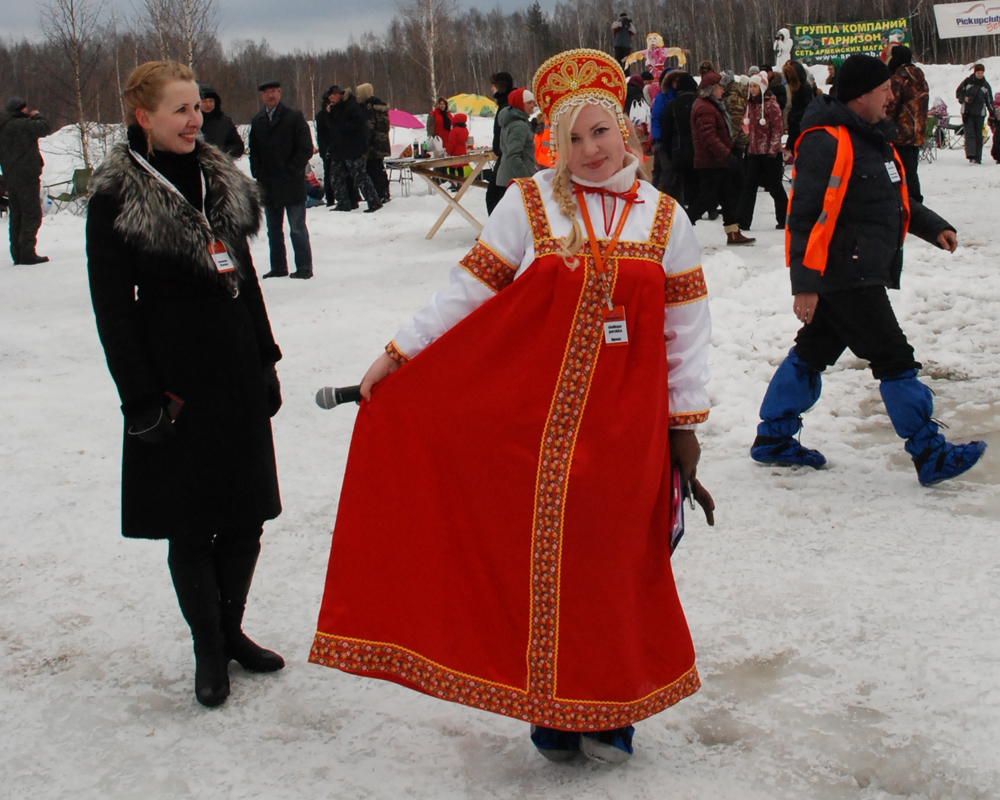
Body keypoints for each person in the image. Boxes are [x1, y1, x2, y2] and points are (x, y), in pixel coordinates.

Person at [309, 47, 714, 766]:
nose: (590, 150)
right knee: (540, 564)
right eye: (573, 138)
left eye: (601, 132)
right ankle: (549, 710)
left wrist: (684, 426)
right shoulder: (528, 205)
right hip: (535, 428)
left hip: (627, 431)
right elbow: (466, 295)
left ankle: (609, 704)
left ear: (624, 131)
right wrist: (398, 356)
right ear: (554, 142)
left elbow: (685, 331)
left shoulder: (666, 218)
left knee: (614, 566)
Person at [85, 60, 285, 709]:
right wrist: (140, 398)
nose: (195, 119)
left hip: (235, 371)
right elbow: (113, 309)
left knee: (247, 516)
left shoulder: (219, 179)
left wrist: (265, 359)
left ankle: (231, 631)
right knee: (192, 524)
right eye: (180, 110)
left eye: (197, 107)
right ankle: (207, 645)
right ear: (144, 117)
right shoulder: (118, 195)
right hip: (174, 382)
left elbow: (244, 278)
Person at [750, 54, 986, 485]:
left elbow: (893, 199)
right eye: (884, 89)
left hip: (855, 269)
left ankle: (774, 437)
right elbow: (803, 216)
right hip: (848, 273)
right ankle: (929, 451)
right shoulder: (825, 141)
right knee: (894, 357)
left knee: (812, 352)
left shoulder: (871, 138)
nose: (891, 96)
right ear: (861, 95)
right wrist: (804, 284)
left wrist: (933, 227)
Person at [248, 79, 314, 279]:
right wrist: (257, 172)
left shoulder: (293, 116)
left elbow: (305, 148)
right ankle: (278, 267)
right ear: (261, 96)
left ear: (280, 93)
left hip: (291, 181)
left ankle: (304, 267)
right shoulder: (257, 120)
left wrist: (293, 169)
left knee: (297, 228)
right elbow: (254, 150)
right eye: (266, 92)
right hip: (268, 183)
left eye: (274, 91)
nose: (270, 95)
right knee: (273, 229)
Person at [688, 71, 755, 245]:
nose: (723, 91)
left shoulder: (711, 105)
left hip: (717, 161)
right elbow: (709, 137)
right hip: (711, 162)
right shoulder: (705, 108)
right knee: (706, 199)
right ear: (711, 89)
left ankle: (733, 232)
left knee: (727, 196)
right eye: (720, 87)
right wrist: (726, 154)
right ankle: (680, 227)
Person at [0, 97, 51, 265]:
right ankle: (27, 253)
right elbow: (44, 128)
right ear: (19, 110)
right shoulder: (21, 125)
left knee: (16, 215)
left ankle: (17, 253)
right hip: (27, 176)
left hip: (10, 176)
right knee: (31, 214)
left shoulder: (3, 126)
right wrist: (37, 115)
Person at [737, 73, 786, 231]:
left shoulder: (772, 105)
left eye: (755, 86)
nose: (752, 89)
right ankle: (743, 221)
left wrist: (772, 150)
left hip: (770, 154)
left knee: (775, 187)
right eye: (750, 86)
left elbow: (777, 129)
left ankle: (784, 218)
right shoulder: (750, 105)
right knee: (748, 186)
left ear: (762, 87)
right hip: (754, 153)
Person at [327, 86, 382, 214]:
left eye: (332, 97)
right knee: (336, 176)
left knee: (360, 176)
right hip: (340, 149)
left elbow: (358, 124)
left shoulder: (351, 105)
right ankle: (343, 203)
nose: (331, 100)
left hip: (354, 148)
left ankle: (374, 201)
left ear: (338, 94)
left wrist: (342, 128)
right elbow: (333, 127)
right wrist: (330, 113)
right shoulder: (338, 107)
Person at [884, 46, 928, 202]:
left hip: (901, 133)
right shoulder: (920, 79)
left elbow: (891, 107)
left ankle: (908, 202)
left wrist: (883, 125)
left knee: (901, 171)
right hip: (917, 133)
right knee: (911, 171)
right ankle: (914, 200)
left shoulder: (898, 79)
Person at [661, 72, 699, 207]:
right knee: (699, 181)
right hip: (699, 150)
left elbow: (665, 132)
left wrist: (670, 151)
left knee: (680, 183)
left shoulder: (671, 106)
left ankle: (683, 208)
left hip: (679, 150)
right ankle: (705, 208)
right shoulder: (699, 103)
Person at [356, 82, 391, 204]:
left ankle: (378, 193)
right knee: (379, 168)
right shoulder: (381, 107)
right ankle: (384, 192)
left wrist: (363, 141)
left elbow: (369, 127)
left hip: (373, 144)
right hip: (382, 142)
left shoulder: (369, 109)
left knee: (372, 169)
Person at [496, 88, 538, 188]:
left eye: (533, 102)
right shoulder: (519, 126)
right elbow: (513, 155)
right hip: (516, 181)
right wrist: (526, 179)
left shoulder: (513, 121)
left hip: (508, 178)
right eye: (529, 103)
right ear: (520, 104)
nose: (532, 106)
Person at [486, 71, 514, 214]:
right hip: (504, 155)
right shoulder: (504, 103)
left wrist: (504, 150)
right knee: (497, 196)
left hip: (507, 157)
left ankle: (498, 225)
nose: (492, 88)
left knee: (494, 197)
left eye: (494, 85)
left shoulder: (508, 106)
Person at [955, 64, 994, 164]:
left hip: (980, 113)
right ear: (975, 72)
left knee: (978, 135)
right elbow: (958, 93)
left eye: (981, 73)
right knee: (970, 134)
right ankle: (971, 156)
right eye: (978, 73)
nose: (980, 75)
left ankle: (978, 157)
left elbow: (989, 101)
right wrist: (964, 98)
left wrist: (992, 112)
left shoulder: (985, 85)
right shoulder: (967, 82)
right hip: (967, 112)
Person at [198, 84, 244, 158]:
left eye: (211, 101)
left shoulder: (225, 121)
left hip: (221, 162)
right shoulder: (192, 121)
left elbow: (238, 147)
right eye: (204, 101)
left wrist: (221, 152)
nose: (208, 104)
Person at [783, 61, 814, 155]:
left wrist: (792, 116)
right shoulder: (798, 88)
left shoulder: (804, 89)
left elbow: (805, 109)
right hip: (797, 129)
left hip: (801, 130)